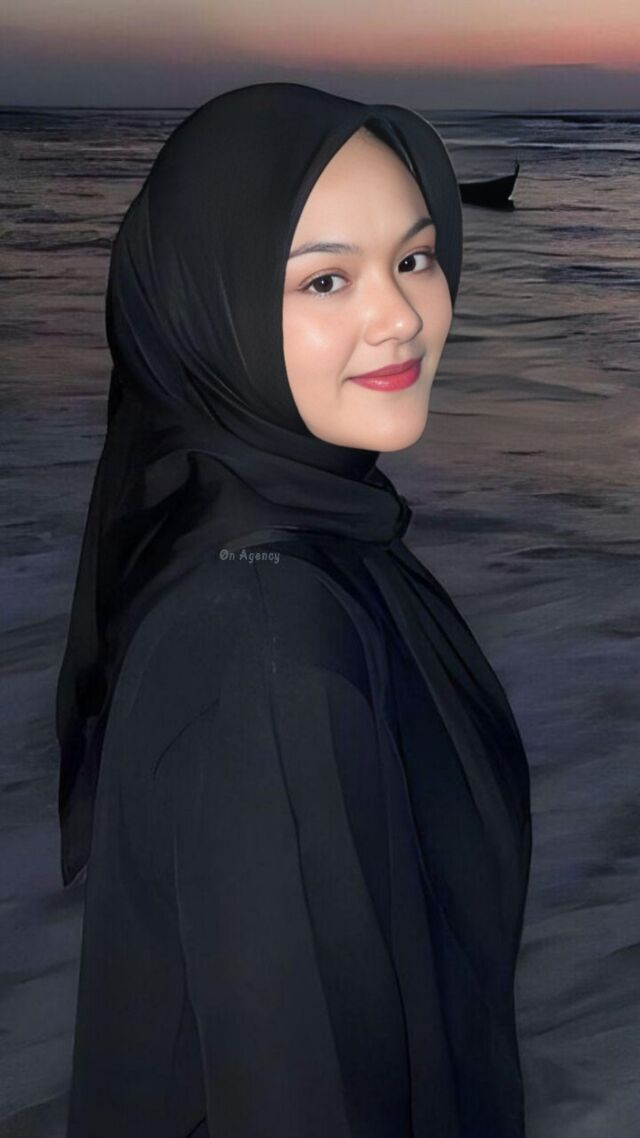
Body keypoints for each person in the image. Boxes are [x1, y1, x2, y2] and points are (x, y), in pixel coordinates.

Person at [56, 82, 532, 1138]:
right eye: (325, 279)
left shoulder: (274, 534)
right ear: (211, 311)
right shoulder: (268, 652)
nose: (399, 316)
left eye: (414, 258)